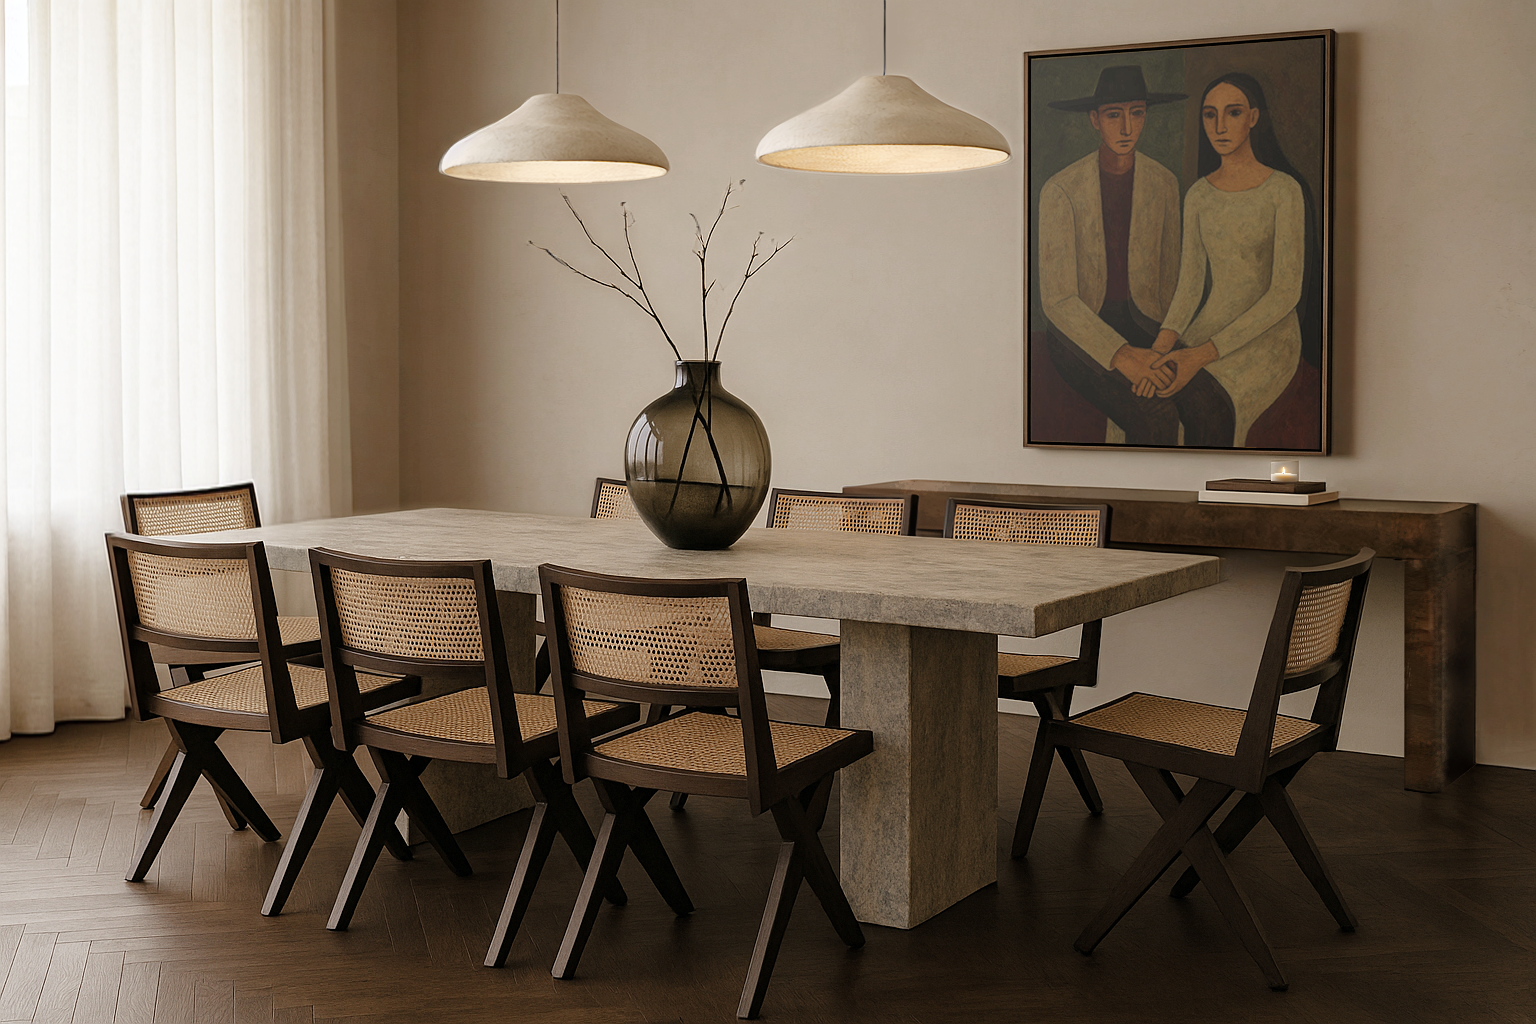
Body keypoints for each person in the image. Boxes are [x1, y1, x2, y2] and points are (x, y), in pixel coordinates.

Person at [1037, 66, 1234, 446]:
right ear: (1095, 120)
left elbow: (1170, 280)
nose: (1127, 128)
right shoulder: (1061, 189)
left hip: (1145, 323)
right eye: (1114, 115)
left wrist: (1161, 352)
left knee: (1214, 409)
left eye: (1138, 113)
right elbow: (1059, 301)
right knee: (1155, 417)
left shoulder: (1162, 182)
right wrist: (1124, 357)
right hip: (1080, 331)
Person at [1148, 72, 1315, 447]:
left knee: (1205, 404)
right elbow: (1189, 287)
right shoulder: (1198, 195)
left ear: (1254, 117)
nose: (1219, 126)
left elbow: (1285, 293)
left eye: (1233, 112)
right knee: (1149, 400)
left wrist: (1201, 355)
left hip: (1268, 336)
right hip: (1206, 327)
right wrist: (1158, 351)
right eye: (1210, 115)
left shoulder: (1284, 190)